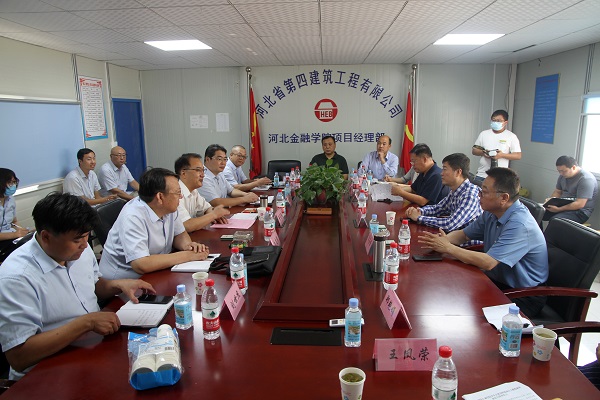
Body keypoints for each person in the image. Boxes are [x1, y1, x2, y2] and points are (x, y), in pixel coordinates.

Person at [0, 193, 155, 380]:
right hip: (46, 371)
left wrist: (117, 284)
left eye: (86, 236)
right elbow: (19, 356)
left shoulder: (78, 249)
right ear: (46, 237)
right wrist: (86, 323)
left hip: (90, 345)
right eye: (77, 240)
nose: (84, 245)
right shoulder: (17, 277)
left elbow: (93, 285)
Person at [418, 167, 548, 317]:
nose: (479, 195)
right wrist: (442, 240)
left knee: (466, 313)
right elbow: (463, 235)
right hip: (496, 281)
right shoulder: (492, 213)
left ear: (504, 198)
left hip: (524, 295)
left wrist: (448, 248)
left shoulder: (520, 224)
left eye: (484, 192)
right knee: (447, 293)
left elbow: (488, 262)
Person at [99, 168, 209, 280]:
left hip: (158, 270)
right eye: (178, 192)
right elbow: (140, 264)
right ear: (160, 197)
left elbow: (180, 234)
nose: (181, 196)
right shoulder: (133, 216)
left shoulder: (169, 208)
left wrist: (188, 246)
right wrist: (186, 256)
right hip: (124, 280)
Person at [405, 153, 482, 231]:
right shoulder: (455, 191)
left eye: (445, 169)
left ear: (458, 172)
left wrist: (419, 218)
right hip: (454, 235)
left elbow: (450, 224)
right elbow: (438, 208)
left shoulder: (470, 194)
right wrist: (420, 211)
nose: (441, 173)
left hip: (468, 238)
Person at [174, 153, 230, 232]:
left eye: (203, 170)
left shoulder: (193, 191)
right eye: (198, 170)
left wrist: (215, 213)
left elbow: (206, 208)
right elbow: (186, 225)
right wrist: (213, 215)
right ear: (183, 173)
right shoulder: (175, 193)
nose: (203, 175)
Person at [543, 156, 598, 224]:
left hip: (580, 212)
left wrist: (559, 209)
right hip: (563, 205)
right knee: (538, 212)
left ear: (573, 167)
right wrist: (550, 201)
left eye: (564, 171)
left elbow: (580, 204)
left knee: (556, 221)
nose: (561, 173)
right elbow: (558, 192)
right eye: (559, 171)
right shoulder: (563, 175)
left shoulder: (586, 179)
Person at [471, 110, 521, 184]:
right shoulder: (484, 134)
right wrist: (484, 152)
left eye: (498, 121)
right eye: (493, 120)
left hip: (500, 177)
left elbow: (518, 155)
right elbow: (474, 150)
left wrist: (502, 155)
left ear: (505, 122)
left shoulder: (511, 136)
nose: (495, 122)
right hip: (482, 174)